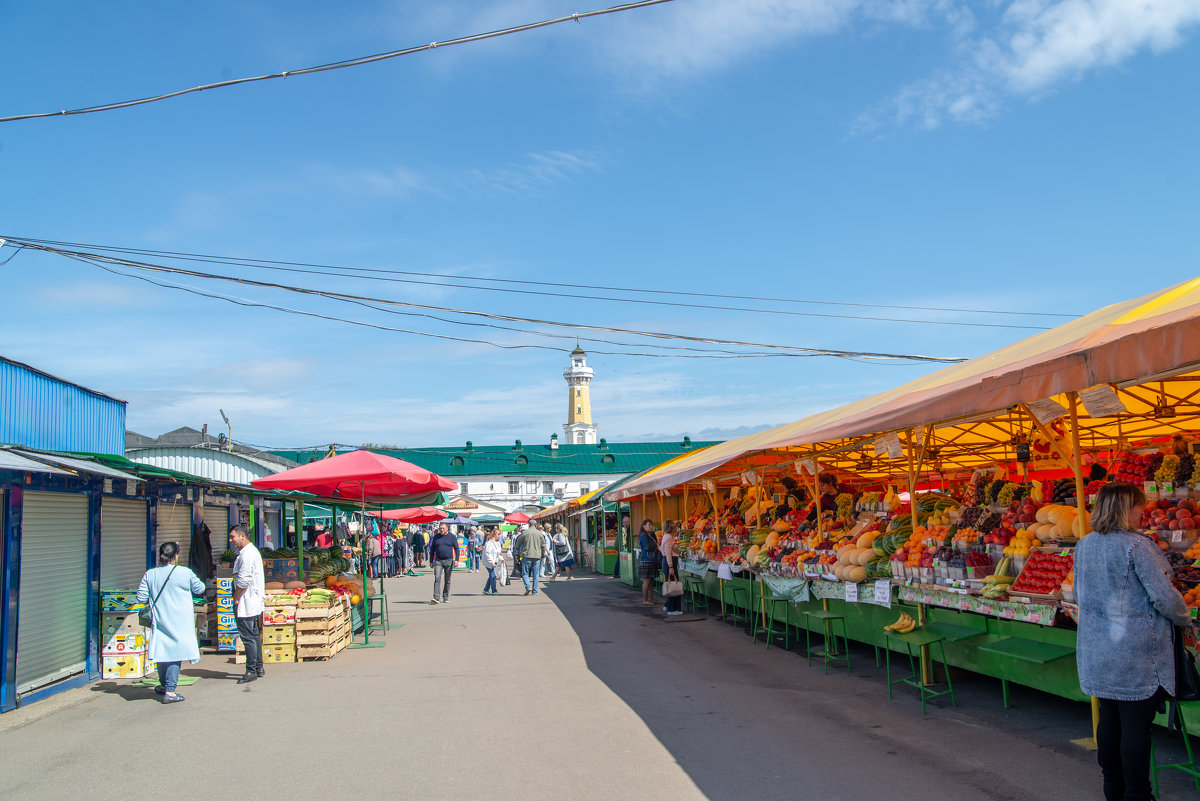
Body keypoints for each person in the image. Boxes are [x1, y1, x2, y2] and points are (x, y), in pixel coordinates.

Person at [1076, 482, 1191, 801]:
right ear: (1122, 510)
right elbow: (1164, 597)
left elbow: (1077, 594)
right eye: (1137, 506)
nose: (1142, 511)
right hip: (1134, 653)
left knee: (1110, 720)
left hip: (1098, 649)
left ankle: (1114, 789)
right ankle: (1138, 795)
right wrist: (1184, 618)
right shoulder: (1137, 547)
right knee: (1136, 726)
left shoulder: (1085, 544)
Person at [135, 541, 206, 703]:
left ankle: (163, 685)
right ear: (175, 556)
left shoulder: (150, 574)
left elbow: (140, 598)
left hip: (160, 619)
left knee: (163, 651)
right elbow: (200, 588)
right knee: (175, 653)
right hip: (180, 620)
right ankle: (171, 691)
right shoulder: (185, 573)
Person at [230, 524, 266, 684]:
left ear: (242, 536)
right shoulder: (248, 552)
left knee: (248, 637)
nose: (231, 540)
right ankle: (258, 667)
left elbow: (243, 581)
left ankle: (251, 670)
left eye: (233, 537)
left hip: (246, 600)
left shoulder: (247, 555)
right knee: (253, 634)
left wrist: (236, 598)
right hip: (252, 600)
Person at [428, 522, 459, 604]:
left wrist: (456, 560)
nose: (441, 530)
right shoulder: (436, 537)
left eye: (443, 528)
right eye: (440, 528)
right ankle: (436, 597)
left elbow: (457, 548)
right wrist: (431, 561)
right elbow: (432, 550)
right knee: (437, 578)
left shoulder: (452, 537)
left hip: (448, 560)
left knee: (447, 579)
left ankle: (445, 596)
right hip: (438, 560)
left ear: (447, 529)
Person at [516, 523, 547, 596]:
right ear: (536, 525)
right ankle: (535, 591)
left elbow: (518, 542)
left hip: (526, 555)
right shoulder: (539, 533)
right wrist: (543, 554)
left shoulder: (525, 533)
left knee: (525, 573)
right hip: (537, 556)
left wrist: (517, 549)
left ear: (529, 524)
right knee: (536, 574)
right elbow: (543, 545)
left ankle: (528, 587)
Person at [660, 520, 682, 616]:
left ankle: (668, 605)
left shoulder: (666, 536)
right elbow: (668, 553)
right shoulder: (669, 537)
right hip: (669, 562)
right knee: (673, 584)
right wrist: (671, 567)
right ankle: (672, 609)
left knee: (671, 583)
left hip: (666, 562)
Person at [638, 519, 660, 606]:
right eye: (649, 525)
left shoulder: (649, 534)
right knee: (647, 580)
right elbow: (647, 547)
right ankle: (645, 599)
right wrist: (656, 545)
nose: (651, 527)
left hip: (651, 559)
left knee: (651, 580)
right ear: (644, 526)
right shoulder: (643, 536)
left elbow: (655, 541)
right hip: (647, 560)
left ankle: (651, 598)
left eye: (651, 525)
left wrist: (653, 533)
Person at [482, 530, 502, 595]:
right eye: (498, 535)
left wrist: (501, 559)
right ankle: (494, 590)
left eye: (500, 535)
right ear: (494, 535)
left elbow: (498, 553)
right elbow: (487, 553)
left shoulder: (498, 543)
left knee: (492, 575)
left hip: (494, 561)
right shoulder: (489, 543)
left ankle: (486, 589)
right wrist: (491, 562)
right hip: (488, 562)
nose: (499, 536)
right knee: (493, 575)